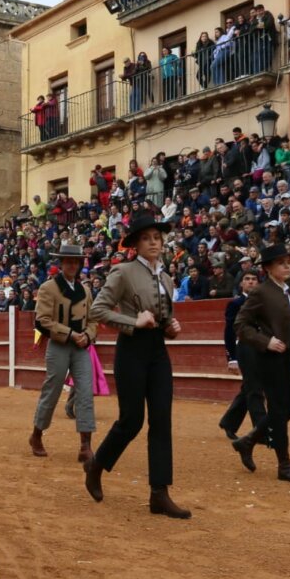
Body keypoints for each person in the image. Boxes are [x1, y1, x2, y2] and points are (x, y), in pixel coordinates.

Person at [83, 214, 191, 519]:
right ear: (135, 244)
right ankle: (96, 464)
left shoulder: (168, 278)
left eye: (157, 237)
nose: (154, 242)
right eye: (147, 238)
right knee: (131, 421)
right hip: (131, 349)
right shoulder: (123, 272)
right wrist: (134, 322)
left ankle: (160, 493)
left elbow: (164, 316)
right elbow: (98, 310)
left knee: (161, 419)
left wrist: (171, 327)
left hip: (157, 351)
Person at [230, 243, 290, 484]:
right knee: (278, 409)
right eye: (280, 263)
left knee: (289, 409)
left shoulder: (288, 289)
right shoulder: (260, 292)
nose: (287, 265)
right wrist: (265, 341)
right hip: (267, 357)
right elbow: (240, 325)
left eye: (288, 261)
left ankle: (248, 441)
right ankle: (284, 465)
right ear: (267, 268)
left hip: (284, 356)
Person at [29, 244, 98, 464]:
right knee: (53, 389)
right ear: (61, 263)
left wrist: (87, 335)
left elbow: (93, 319)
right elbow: (42, 321)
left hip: (80, 346)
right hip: (59, 345)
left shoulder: (85, 290)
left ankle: (85, 445)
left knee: (85, 392)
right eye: (68, 261)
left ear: (79, 265)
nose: (71, 265)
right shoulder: (49, 288)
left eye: (75, 262)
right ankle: (37, 435)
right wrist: (70, 334)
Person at [218, 270, 266, 440]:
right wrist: (231, 357)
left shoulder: (264, 302)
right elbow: (229, 332)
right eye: (247, 279)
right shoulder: (235, 303)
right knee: (255, 389)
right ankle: (262, 430)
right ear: (241, 284)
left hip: (261, 349)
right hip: (244, 349)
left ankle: (229, 422)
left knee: (250, 387)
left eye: (254, 279)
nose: (251, 282)